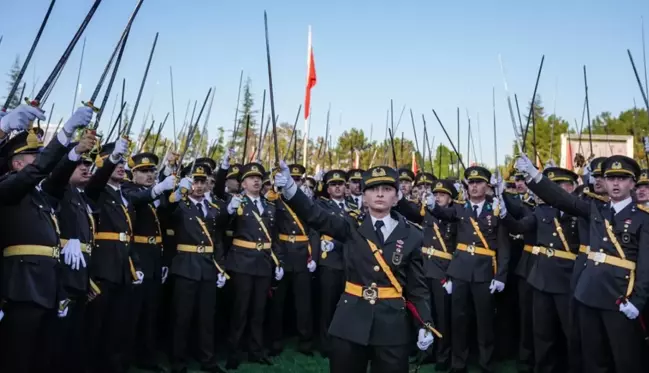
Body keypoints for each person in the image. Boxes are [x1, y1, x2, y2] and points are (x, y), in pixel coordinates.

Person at [275, 162, 436, 373]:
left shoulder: (412, 235)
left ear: (396, 198)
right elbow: (315, 215)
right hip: (350, 319)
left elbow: (417, 287)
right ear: (364, 196)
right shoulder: (350, 225)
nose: (379, 194)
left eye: (387, 189)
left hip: (391, 324)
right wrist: (290, 189)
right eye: (373, 189)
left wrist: (426, 323)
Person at [516, 154, 649, 372]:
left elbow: (646, 265)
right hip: (589, 294)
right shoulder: (595, 209)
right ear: (604, 182)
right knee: (593, 357)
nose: (616, 183)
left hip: (621, 296)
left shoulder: (643, 218)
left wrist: (638, 301)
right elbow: (561, 199)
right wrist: (534, 175)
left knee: (625, 358)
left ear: (633, 183)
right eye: (611, 178)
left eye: (622, 178)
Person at [0, 104, 93, 373]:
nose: (41, 162)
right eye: (34, 157)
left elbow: (58, 174)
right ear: (17, 163)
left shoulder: (40, 195)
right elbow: (38, 170)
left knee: (41, 356)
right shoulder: (9, 186)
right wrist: (64, 133)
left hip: (48, 285)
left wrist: (74, 151)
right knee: (17, 356)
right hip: (21, 286)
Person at [427, 166, 510, 373]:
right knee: (458, 319)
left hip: (484, 272)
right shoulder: (460, 208)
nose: (474, 186)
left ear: (487, 186)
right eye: (471, 183)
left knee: (485, 321)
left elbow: (504, 247)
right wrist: (431, 206)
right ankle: (458, 362)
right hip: (460, 271)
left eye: (479, 182)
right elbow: (443, 213)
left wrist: (500, 276)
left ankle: (486, 363)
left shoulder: (497, 208)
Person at [500, 167, 580, 373]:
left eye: (558, 187)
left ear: (571, 188)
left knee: (572, 332)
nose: (551, 192)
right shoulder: (542, 210)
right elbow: (520, 227)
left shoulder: (581, 211)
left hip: (569, 279)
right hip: (541, 278)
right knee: (542, 332)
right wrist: (504, 216)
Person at [215, 158, 283, 369]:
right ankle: (233, 352)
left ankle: (255, 350)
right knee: (240, 310)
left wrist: (278, 261)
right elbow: (218, 226)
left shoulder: (269, 205)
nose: (255, 181)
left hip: (263, 262)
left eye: (258, 178)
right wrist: (229, 210)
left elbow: (274, 236)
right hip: (242, 262)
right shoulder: (236, 202)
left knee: (258, 310)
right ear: (242, 183)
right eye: (251, 178)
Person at [84, 137, 144, 373]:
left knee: (118, 325)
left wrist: (135, 264)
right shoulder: (97, 190)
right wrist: (111, 160)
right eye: (115, 162)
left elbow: (128, 235)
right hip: (103, 265)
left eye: (123, 163)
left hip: (123, 267)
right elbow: (96, 180)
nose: (121, 166)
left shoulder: (124, 195)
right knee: (96, 325)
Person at [164, 163, 228, 373]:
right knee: (182, 317)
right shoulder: (180, 205)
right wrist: (176, 191)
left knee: (206, 317)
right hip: (186, 265)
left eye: (202, 182)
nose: (199, 186)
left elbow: (217, 240)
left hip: (207, 267)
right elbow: (166, 211)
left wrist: (221, 268)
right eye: (195, 182)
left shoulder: (212, 209)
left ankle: (207, 359)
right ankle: (178, 361)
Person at [42, 134, 97, 373]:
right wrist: (73, 153)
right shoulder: (57, 189)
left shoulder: (79, 196)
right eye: (79, 164)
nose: (85, 168)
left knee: (74, 334)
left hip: (81, 272)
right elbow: (56, 178)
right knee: (56, 337)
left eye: (88, 164)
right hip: (62, 272)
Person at [396, 178, 457, 371]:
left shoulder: (456, 217)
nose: (438, 198)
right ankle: (426, 353)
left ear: (451, 199)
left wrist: (452, 275)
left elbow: (459, 248)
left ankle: (443, 356)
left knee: (442, 316)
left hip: (443, 270)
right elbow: (412, 213)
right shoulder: (428, 212)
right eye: (436, 194)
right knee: (425, 314)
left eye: (443, 195)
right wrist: (399, 198)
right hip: (424, 268)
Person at [121, 152, 175, 372]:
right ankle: (125, 357)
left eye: (152, 171)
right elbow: (138, 200)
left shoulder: (156, 194)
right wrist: (159, 189)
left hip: (155, 255)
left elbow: (167, 223)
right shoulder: (128, 190)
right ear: (133, 174)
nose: (150, 175)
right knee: (132, 312)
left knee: (151, 312)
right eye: (144, 171)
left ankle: (147, 356)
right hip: (137, 255)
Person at [268, 163, 317, 356]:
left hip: (303, 255)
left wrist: (313, 255)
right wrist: (277, 259)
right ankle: (275, 341)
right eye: (292, 179)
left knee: (304, 303)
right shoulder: (276, 201)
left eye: (297, 179)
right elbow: (272, 231)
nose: (294, 182)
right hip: (284, 253)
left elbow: (314, 229)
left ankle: (305, 342)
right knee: (278, 303)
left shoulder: (306, 201)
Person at [316, 169, 351, 358]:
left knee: (345, 306)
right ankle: (326, 344)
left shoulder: (353, 205)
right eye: (333, 184)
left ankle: (343, 342)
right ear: (327, 189)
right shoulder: (322, 205)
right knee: (328, 306)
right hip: (330, 260)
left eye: (340, 184)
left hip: (349, 262)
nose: (338, 187)